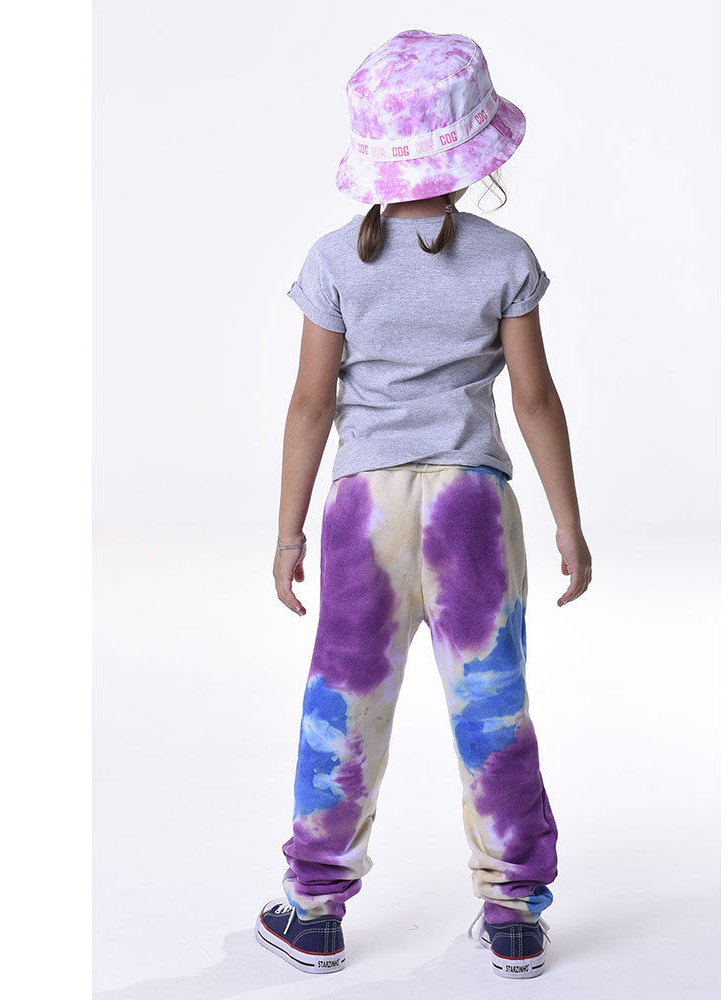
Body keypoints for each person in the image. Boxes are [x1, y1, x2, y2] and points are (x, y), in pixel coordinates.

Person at [255, 29, 592, 981]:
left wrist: (287, 533)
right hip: (470, 507)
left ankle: (314, 909)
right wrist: (568, 523)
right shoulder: (505, 257)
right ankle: (515, 912)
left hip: (362, 511)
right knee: (493, 706)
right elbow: (534, 399)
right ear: (476, 152)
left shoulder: (333, 259)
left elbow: (311, 404)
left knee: (344, 706)